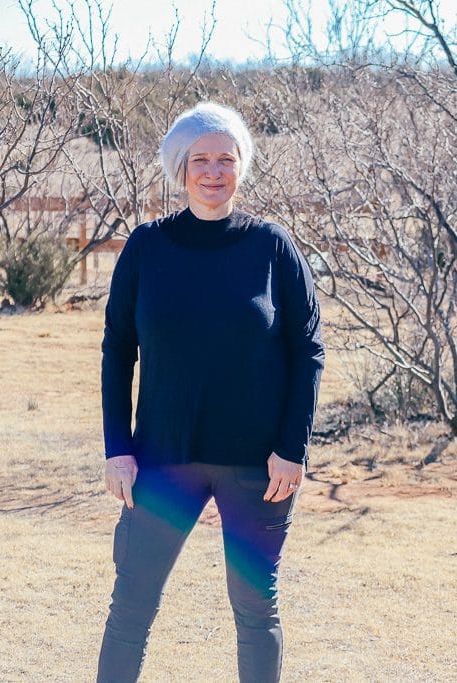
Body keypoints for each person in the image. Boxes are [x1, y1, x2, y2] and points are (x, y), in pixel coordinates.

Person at [97, 101, 324, 682]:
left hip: (258, 468)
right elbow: (118, 348)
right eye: (201, 158)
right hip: (161, 462)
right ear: (181, 167)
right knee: (131, 609)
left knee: (255, 611)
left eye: (226, 158)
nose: (214, 171)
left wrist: (293, 449)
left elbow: (308, 350)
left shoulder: (272, 247)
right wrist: (116, 449)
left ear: (241, 166)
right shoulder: (147, 247)